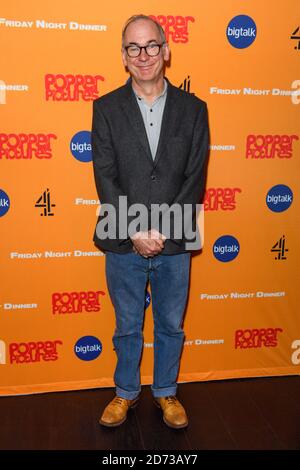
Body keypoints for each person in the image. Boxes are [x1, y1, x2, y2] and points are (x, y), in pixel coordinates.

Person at [91, 14, 209, 429]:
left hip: (175, 239)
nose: (144, 55)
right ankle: (125, 393)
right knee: (126, 326)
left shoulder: (195, 110)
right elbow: (105, 175)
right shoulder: (105, 108)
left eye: (152, 45)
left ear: (167, 50)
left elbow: (195, 176)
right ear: (124, 56)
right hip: (124, 238)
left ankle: (166, 392)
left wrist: (162, 230)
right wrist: (135, 230)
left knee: (170, 326)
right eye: (134, 48)